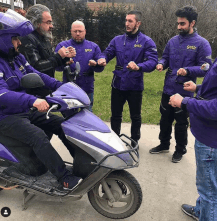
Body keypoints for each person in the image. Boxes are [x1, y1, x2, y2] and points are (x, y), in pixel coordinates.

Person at [0, 10, 82, 190]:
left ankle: (83, 164)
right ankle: (64, 178)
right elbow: (1, 94)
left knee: (63, 125)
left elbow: (36, 74)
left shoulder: (17, 57)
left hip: (23, 110)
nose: (19, 42)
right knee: (38, 137)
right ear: (3, 39)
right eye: (15, 39)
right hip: (4, 116)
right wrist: (32, 101)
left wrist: (61, 86)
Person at [149, 6, 212, 163]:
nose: (178, 27)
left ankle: (180, 150)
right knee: (165, 119)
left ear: (192, 23)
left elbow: (206, 69)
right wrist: (161, 64)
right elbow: (165, 57)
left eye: (182, 24)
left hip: (185, 91)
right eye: (178, 23)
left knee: (181, 123)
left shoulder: (202, 44)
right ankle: (164, 144)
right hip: (168, 88)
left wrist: (188, 70)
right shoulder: (173, 41)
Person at [98, 10, 158, 146]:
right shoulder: (117, 40)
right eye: (126, 20)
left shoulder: (146, 41)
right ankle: (115, 141)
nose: (127, 23)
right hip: (117, 84)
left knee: (135, 116)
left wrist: (139, 66)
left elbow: (153, 61)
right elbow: (107, 53)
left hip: (135, 85)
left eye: (130, 21)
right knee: (115, 115)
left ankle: (134, 141)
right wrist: (102, 59)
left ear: (138, 23)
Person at [169, 60, 217, 220]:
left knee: (209, 191)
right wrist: (198, 88)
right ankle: (200, 210)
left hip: (211, 141)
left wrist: (184, 102)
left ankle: (207, 214)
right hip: (207, 135)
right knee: (210, 183)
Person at [55, 20, 104, 112]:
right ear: (71, 31)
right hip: (69, 88)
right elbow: (56, 67)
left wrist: (95, 65)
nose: (78, 34)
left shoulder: (93, 47)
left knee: (87, 115)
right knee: (69, 115)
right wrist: (65, 63)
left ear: (85, 31)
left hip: (87, 87)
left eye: (80, 31)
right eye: (75, 31)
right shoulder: (62, 46)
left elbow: (100, 68)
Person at [19, 4, 76, 78]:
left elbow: (49, 62)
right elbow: (36, 67)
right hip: (36, 87)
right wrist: (58, 56)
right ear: (37, 23)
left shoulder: (44, 37)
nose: (52, 26)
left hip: (47, 85)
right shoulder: (27, 39)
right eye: (48, 22)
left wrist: (64, 57)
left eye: (51, 22)